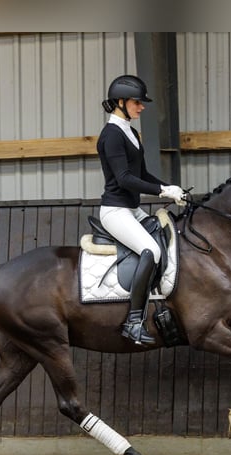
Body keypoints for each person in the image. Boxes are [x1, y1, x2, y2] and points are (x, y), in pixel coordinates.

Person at [97, 74, 187, 346]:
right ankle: (133, 322)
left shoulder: (130, 132)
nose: (142, 107)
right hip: (115, 211)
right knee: (152, 250)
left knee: (166, 239)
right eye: (137, 102)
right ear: (121, 102)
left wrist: (169, 187)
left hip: (131, 208)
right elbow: (124, 178)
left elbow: (142, 173)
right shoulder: (111, 135)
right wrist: (161, 192)